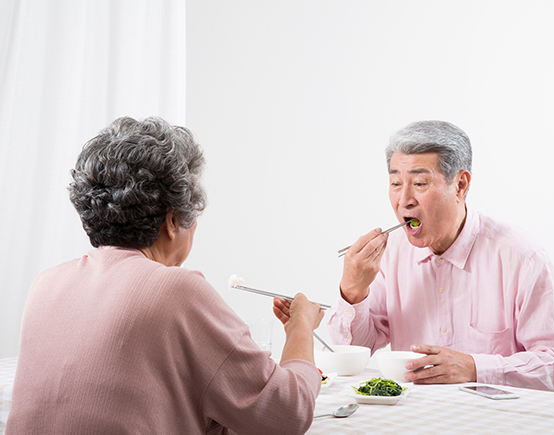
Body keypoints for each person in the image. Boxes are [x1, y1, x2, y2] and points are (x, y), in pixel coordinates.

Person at [7, 117, 324, 434]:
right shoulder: (176, 290)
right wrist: (301, 326)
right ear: (172, 221)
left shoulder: (45, 284)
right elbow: (287, 414)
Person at [328, 120, 554, 392]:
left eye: (420, 183)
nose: (404, 200)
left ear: (460, 185)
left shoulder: (520, 257)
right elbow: (353, 353)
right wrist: (353, 290)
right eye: (395, 183)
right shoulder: (390, 255)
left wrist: (474, 368)